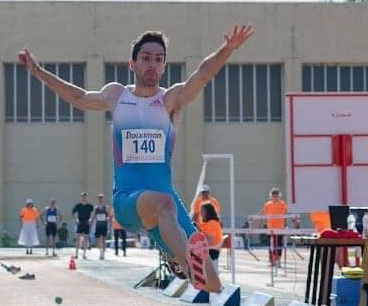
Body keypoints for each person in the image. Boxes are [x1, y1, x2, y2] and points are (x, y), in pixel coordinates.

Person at [19, 25, 254, 291]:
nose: (152, 64)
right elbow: (79, 97)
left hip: (165, 204)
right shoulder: (117, 96)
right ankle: (185, 264)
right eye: (145, 58)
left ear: (164, 66)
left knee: (213, 284)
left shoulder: (170, 100)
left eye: (158, 59)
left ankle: (176, 258)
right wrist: (37, 71)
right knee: (165, 205)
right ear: (132, 63)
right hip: (128, 201)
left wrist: (228, 49)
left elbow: (203, 74)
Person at [261, 188, 288, 267]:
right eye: (274, 196)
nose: (275, 197)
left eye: (277, 196)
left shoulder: (283, 204)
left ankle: (278, 260)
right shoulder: (267, 204)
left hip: (280, 227)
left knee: (279, 244)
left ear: (279, 196)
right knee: (271, 244)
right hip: (271, 228)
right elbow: (264, 214)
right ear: (271, 196)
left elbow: (286, 212)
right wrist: (264, 223)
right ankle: (272, 261)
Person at [199, 203, 225, 273]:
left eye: (202, 211)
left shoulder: (212, 223)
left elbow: (210, 242)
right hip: (209, 252)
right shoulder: (207, 223)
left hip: (211, 253)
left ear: (208, 212)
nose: (200, 213)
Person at [71, 192, 94, 259]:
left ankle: (84, 254)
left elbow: (92, 213)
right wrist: (76, 220)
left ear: (87, 197)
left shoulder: (90, 206)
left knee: (86, 239)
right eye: (83, 197)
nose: (84, 198)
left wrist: (90, 219)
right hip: (80, 223)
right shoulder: (78, 205)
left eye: (85, 197)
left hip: (86, 223)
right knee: (78, 239)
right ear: (81, 197)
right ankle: (76, 254)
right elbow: (73, 212)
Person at [91, 193, 111, 260]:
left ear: (103, 199)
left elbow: (109, 216)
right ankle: (101, 250)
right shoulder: (96, 208)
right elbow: (93, 216)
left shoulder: (106, 207)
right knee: (98, 239)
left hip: (104, 225)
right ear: (98, 199)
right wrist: (91, 223)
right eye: (99, 198)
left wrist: (108, 220)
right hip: (98, 225)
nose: (100, 199)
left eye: (101, 198)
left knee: (103, 239)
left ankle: (103, 254)